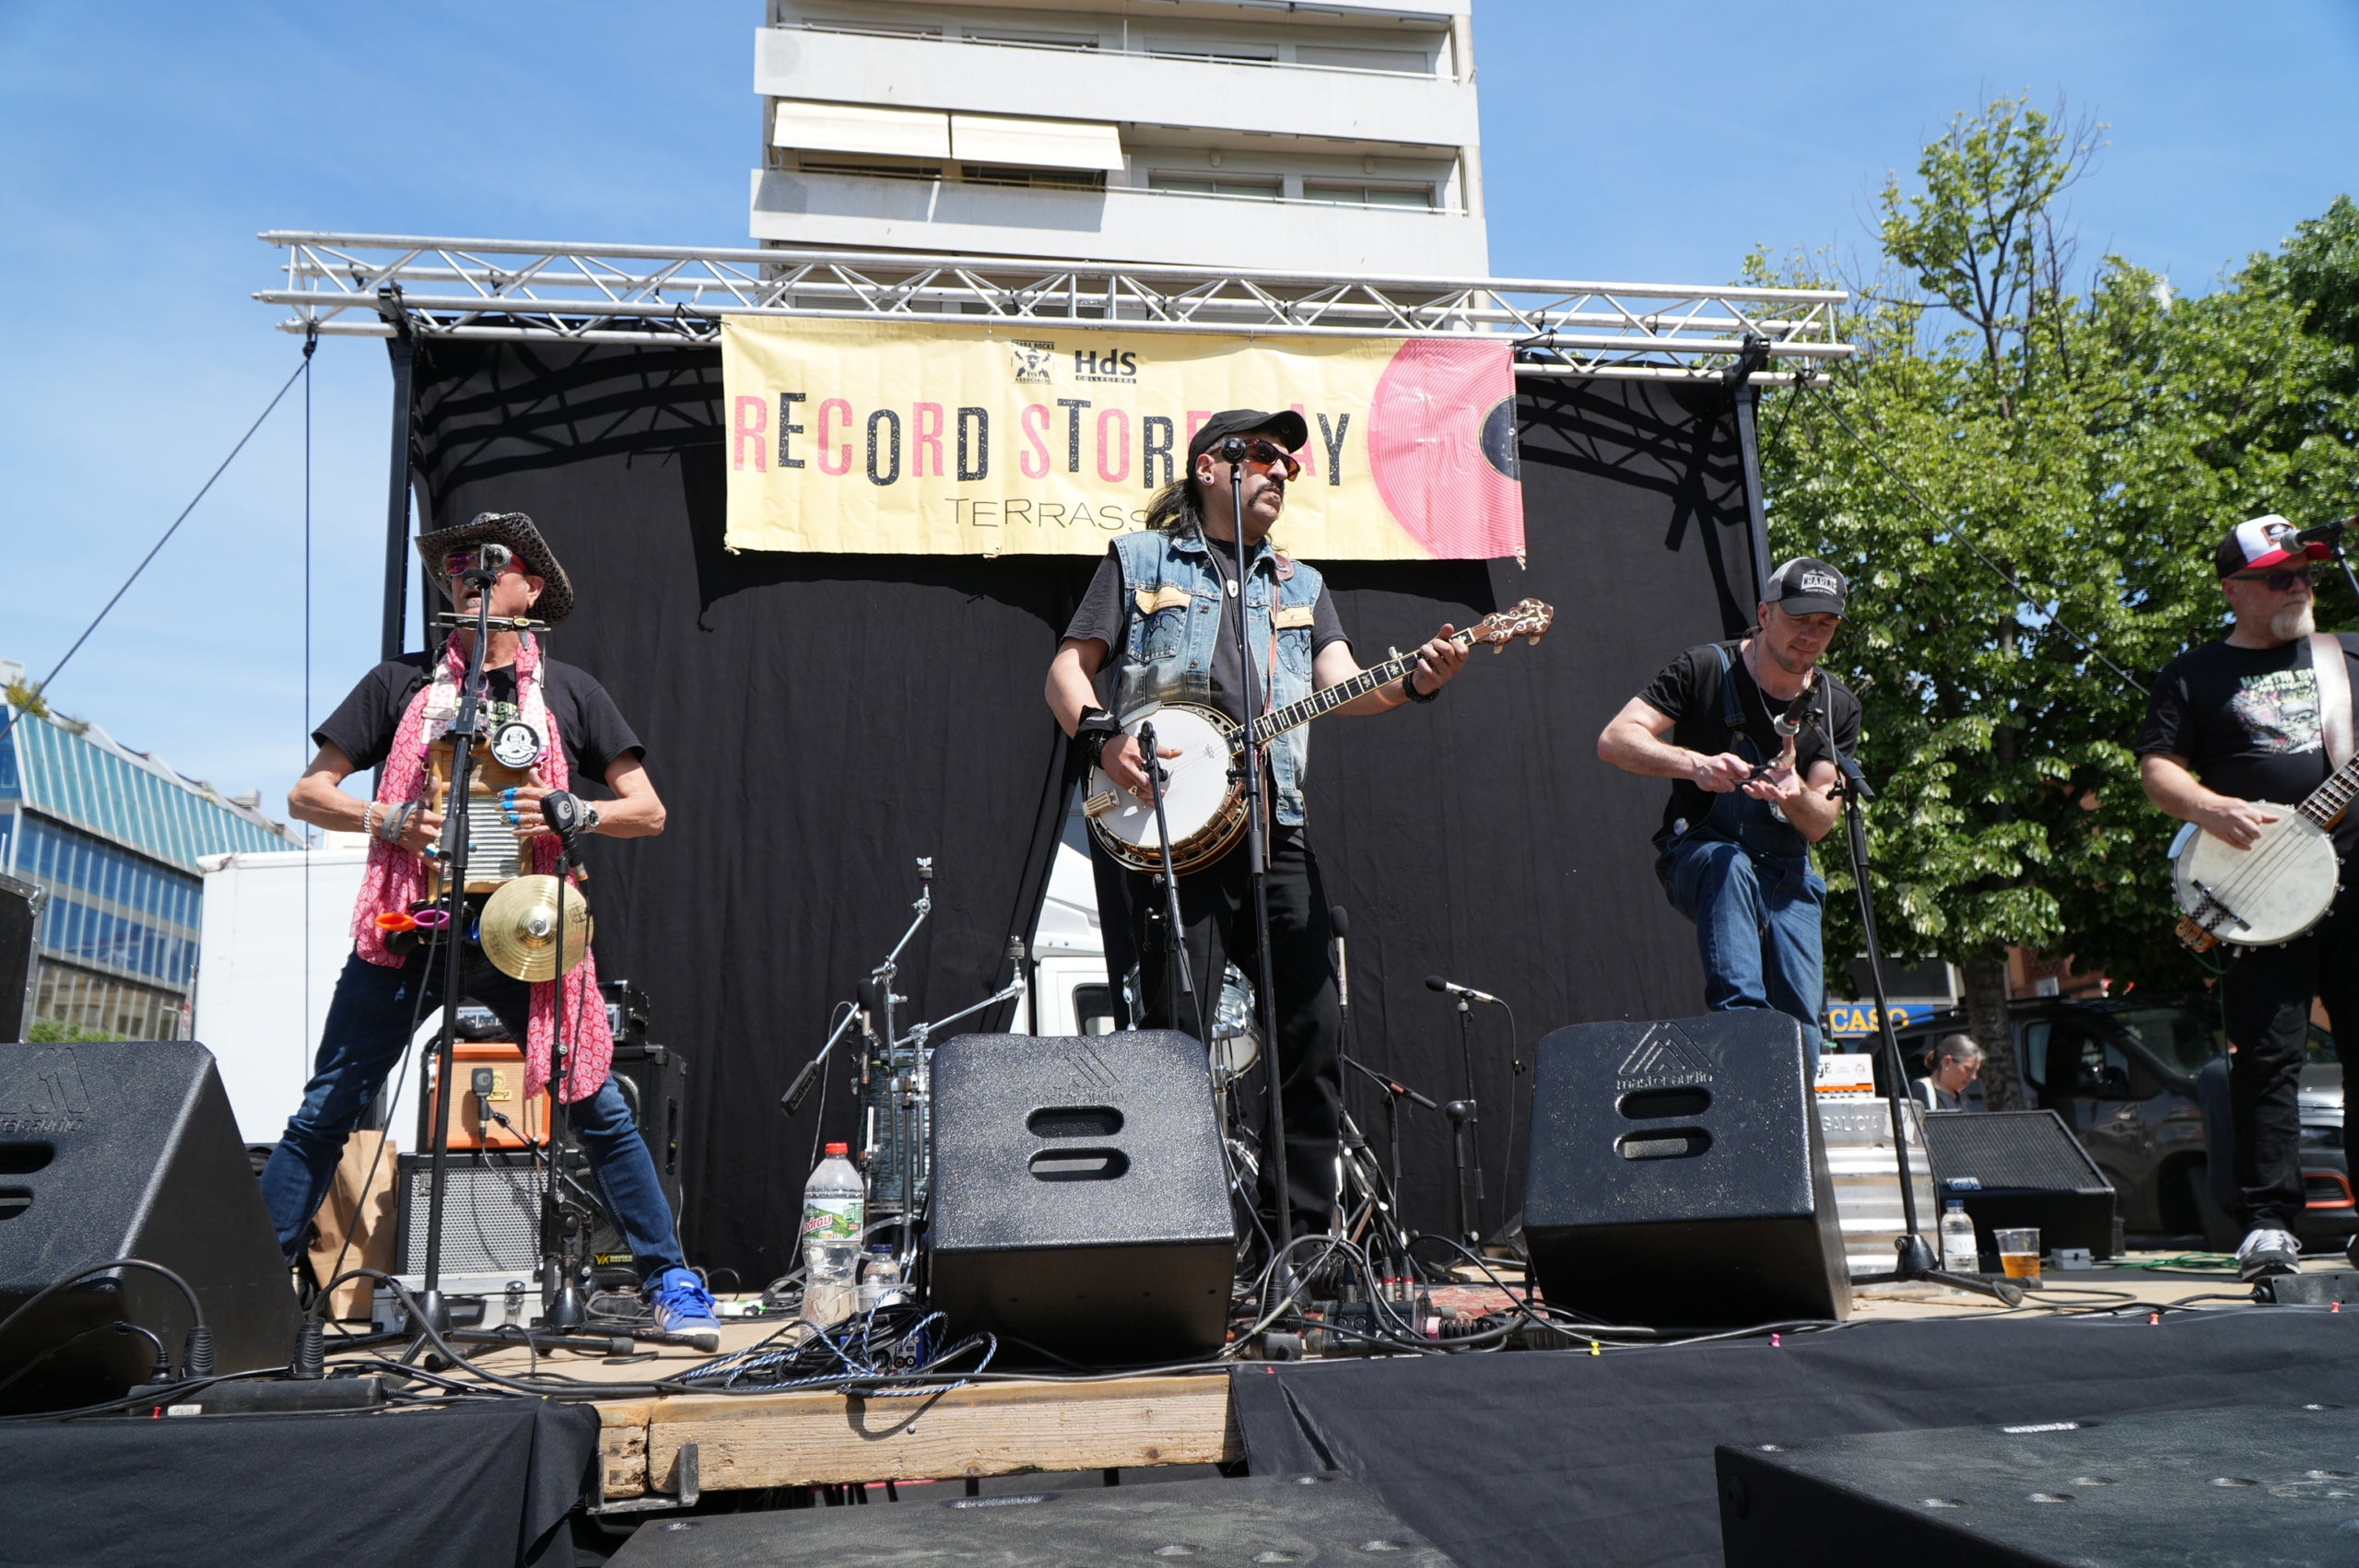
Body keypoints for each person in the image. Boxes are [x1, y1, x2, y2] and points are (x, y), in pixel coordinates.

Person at [258, 510, 719, 1333]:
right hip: (409, 926)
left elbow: (647, 812)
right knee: (329, 1105)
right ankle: (247, 1293)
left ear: (529, 588)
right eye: (457, 562)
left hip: (523, 928)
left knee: (599, 1108)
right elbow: (306, 793)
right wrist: (387, 819)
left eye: (489, 562)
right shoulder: (398, 685)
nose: (467, 571)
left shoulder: (570, 693)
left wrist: (574, 807)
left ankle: (672, 1282)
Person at [1043, 409, 1469, 1239]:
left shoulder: (1300, 585)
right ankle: (1177, 1235)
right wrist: (1103, 738)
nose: (1281, 471)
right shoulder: (1143, 559)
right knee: (1176, 1035)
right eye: (1265, 456)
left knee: (1313, 1024)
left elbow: (1347, 683)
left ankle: (1301, 1241)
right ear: (1211, 466)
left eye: (1291, 464)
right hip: (1172, 830)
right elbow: (1069, 668)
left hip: (1275, 827)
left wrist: (1418, 679)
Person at [2137, 514, 2359, 1282]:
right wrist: (2210, 809)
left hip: (2354, 879)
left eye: (2306, 573)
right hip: (2261, 897)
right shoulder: (2193, 674)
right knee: (2269, 1059)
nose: (2298, 585)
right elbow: (2159, 770)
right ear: (2235, 589)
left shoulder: (2348, 656)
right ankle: (2268, 1223)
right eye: (2279, 576)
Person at [1596, 559, 1862, 1067]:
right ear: (1764, 613)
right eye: (1800, 619)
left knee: (1803, 1033)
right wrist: (1694, 763)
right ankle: (1741, 1050)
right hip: (1700, 853)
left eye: (1825, 624)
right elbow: (1615, 739)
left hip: (1787, 875)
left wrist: (1793, 792)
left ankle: (1785, 1136)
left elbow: (1820, 823)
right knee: (1730, 868)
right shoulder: (1703, 670)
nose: (1811, 635)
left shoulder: (1836, 705)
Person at [1913, 1035, 1984, 1112]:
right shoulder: (1922, 1090)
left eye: (1975, 1071)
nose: (1974, 1077)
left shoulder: (1962, 1098)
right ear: (1947, 1062)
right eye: (1967, 1069)